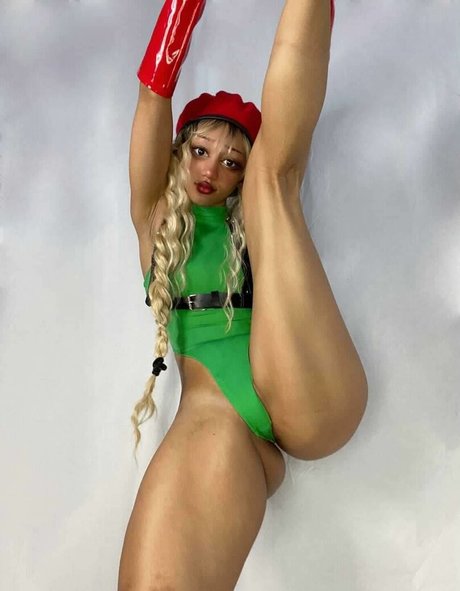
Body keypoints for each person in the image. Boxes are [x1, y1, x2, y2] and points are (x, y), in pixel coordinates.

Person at [118, 1, 367, 589]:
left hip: (305, 390)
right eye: (200, 151)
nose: (212, 170)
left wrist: (256, 179)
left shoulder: (251, 220)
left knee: (273, 187)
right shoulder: (154, 219)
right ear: (179, 151)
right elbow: (152, 99)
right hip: (218, 421)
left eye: (232, 162)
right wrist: (181, 10)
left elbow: (275, 158)